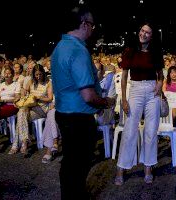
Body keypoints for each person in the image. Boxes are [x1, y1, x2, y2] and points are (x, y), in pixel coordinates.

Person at [50, 5, 115, 200]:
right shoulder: (78, 50)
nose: (93, 30)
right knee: (79, 163)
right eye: (92, 25)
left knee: (70, 162)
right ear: (84, 24)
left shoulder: (60, 47)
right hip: (78, 117)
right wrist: (105, 102)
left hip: (63, 113)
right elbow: (88, 95)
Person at [114, 22, 164, 186]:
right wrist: (124, 99)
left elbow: (160, 75)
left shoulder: (155, 52)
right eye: (142, 31)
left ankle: (148, 167)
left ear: (151, 36)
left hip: (152, 91)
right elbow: (124, 76)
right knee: (129, 130)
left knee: (151, 131)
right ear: (139, 32)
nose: (144, 34)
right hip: (135, 89)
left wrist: (159, 84)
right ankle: (121, 167)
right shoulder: (130, 51)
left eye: (148, 32)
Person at [8, 64, 53, 155]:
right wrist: (22, 93)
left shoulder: (48, 82)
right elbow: (24, 90)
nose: (38, 77)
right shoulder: (31, 81)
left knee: (21, 116)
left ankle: (16, 145)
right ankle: (24, 141)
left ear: (43, 73)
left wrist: (39, 98)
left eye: (40, 74)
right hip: (30, 108)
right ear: (33, 74)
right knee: (21, 113)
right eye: (36, 75)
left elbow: (50, 98)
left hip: (42, 109)